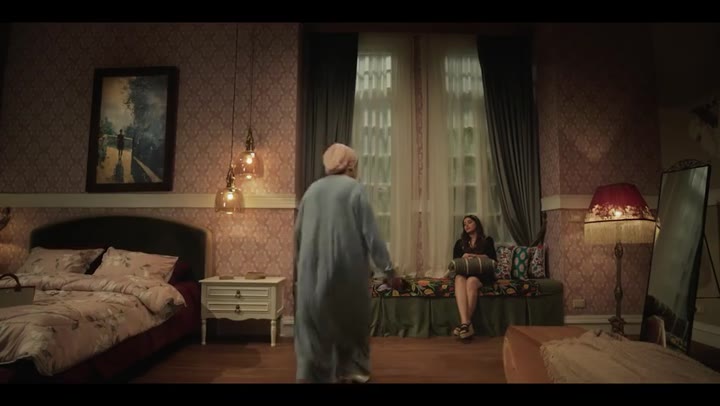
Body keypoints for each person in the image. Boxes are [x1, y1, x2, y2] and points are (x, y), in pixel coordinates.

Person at [294, 143, 394, 384]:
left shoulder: (311, 191)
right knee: (350, 326)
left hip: (311, 274)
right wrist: (388, 269)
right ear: (350, 166)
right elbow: (371, 234)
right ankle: (352, 373)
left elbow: (298, 235)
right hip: (346, 274)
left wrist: (301, 269)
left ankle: (312, 376)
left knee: (313, 330)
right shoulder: (354, 189)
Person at [451, 215, 497, 340]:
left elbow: (493, 259)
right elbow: (455, 262)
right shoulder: (459, 243)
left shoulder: (487, 241)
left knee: (471, 282)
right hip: (464, 273)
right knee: (459, 278)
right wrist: (463, 257)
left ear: (476, 223)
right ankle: (466, 324)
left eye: (469, 222)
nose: (466, 225)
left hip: (482, 275)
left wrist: (475, 256)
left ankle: (463, 323)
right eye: (464, 224)